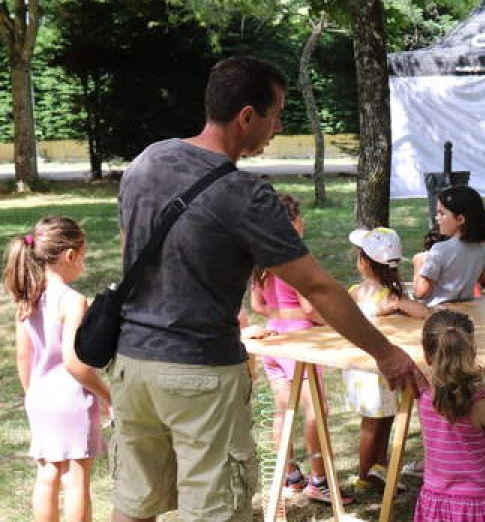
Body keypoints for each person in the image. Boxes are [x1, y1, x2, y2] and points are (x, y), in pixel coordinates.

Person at [109, 55, 419, 522]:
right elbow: (318, 287)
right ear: (246, 116)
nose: (277, 126)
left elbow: (129, 247)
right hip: (199, 374)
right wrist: (386, 352)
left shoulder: (148, 161)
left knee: (134, 506)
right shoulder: (246, 196)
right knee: (213, 511)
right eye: (275, 115)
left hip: (131, 365)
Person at [5, 216, 109, 522]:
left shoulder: (27, 297)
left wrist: (32, 394)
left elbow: (23, 358)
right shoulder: (73, 300)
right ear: (71, 255)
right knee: (76, 481)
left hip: (38, 398)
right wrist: (108, 396)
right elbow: (75, 364)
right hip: (72, 402)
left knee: (47, 474)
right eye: (84, 255)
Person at [248, 194, 350, 504]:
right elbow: (309, 306)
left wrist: (280, 317)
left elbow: (257, 304)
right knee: (316, 413)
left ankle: (290, 476)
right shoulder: (296, 259)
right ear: (296, 224)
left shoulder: (261, 260)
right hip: (302, 347)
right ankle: (319, 480)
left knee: (284, 411)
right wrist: (324, 320)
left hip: (274, 344)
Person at [342, 227, 431, 496]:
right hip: (376, 369)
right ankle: (365, 474)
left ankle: (376, 470)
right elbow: (424, 312)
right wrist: (399, 305)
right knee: (378, 421)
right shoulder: (389, 295)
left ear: (365, 262)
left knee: (379, 419)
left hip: (367, 368)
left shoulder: (357, 291)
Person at [412, 310, 485, 522]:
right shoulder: (480, 406)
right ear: (472, 352)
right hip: (474, 505)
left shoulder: (424, 396)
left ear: (427, 356)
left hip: (434, 501)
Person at [413, 185, 485, 306]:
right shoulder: (480, 248)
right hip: (467, 311)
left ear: (460, 219)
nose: (437, 218)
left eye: (442, 213)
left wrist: (418, 264)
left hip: (439, 315)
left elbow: (421, 292)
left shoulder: (440, 250)